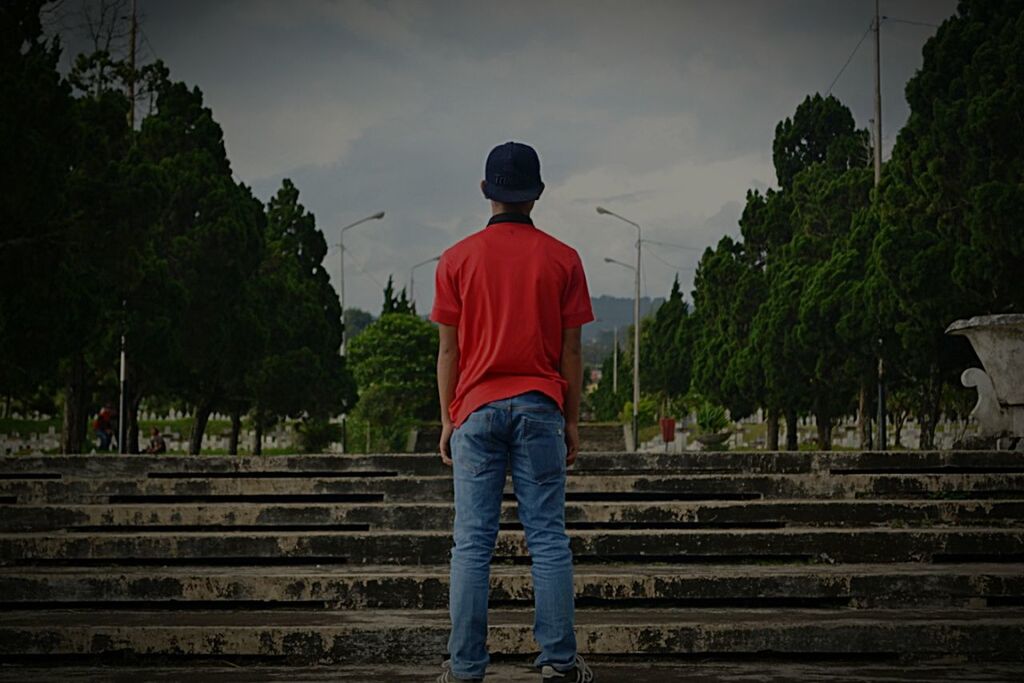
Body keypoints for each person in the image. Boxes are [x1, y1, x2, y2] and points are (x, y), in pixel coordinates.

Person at [432, 141, 596, 683]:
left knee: (471, 542)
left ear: (485, 191)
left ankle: (465, 669)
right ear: (538, 194)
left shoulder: (456, 259)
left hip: (475, 411)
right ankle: (558, 664)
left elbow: (450, 352)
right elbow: (572, 353)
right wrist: (571, 420)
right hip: (541, 408)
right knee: (547, 536)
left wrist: (448, 419)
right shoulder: (564, 259)